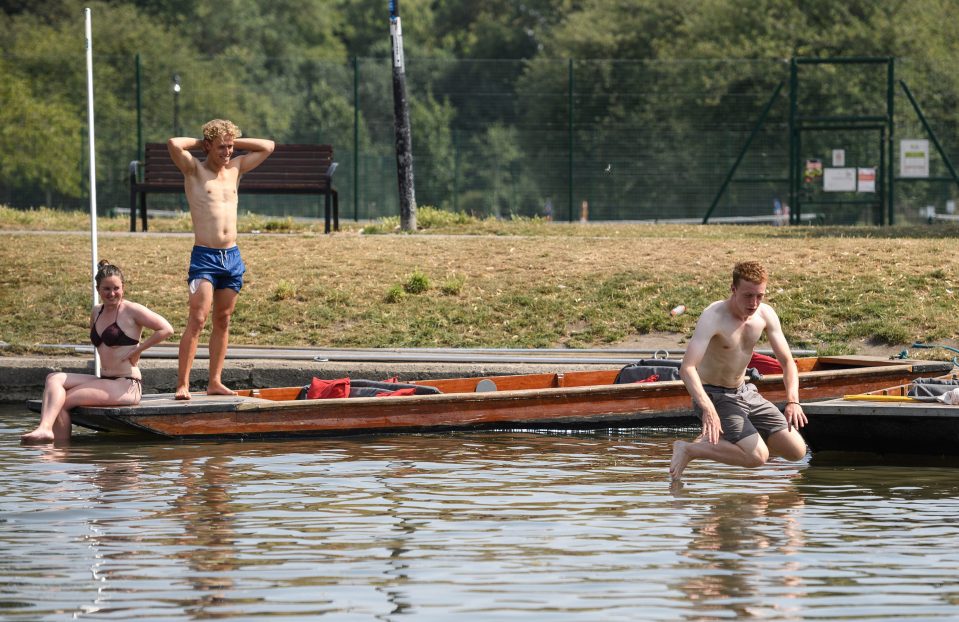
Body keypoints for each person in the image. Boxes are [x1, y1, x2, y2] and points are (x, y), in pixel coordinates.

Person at [670, 261, 808, 481]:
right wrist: (708, 408)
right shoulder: (713, 316)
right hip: (715, 395)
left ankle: (724, 439)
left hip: (744, 391)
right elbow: (687, 368)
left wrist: (793, 401)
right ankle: (688, 449)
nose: (754, 303)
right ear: (733, 289)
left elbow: (787, 362)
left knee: (796, 450)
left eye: (759, 296)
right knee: (757, 457)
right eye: (747, 296)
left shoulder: (765, 314)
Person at [167, 119, 275, 400]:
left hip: (232, 257)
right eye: (221, 147)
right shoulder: (194, 170)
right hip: (205, 257)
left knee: (223, 319)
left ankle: (215, 381)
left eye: (230, 147)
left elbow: (268, 146)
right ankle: (183, 384)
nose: (227, 152)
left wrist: (232, 141)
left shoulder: (236, 168)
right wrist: (204, 139)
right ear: (207, 147)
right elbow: (173, 144)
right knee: (198, 318)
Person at [21, 261, 174, 445]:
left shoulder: (131, 310)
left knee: (60, 403)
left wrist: (138, 350)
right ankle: (46, 431)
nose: (111, 293)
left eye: (116, 288)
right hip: (105, 380)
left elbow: (166, 329)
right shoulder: (96, 312)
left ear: (123, 288)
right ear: (98, 289)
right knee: (54, 378)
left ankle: (58, 450)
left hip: (126, 384)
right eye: (106, 289)